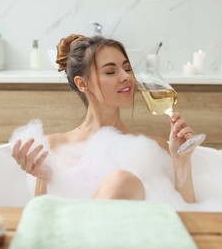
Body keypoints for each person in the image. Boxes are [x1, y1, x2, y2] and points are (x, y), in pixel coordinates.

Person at [11, 34, 196, 203]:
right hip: (74, 233)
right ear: (82, 83)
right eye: (110, 72)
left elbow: (187, 212)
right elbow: (42, 217)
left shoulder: (154, 148)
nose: (126, 77)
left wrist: (181, 162)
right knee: (123, 182)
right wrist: (42, 179)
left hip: (132, 235)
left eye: (127, 68)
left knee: (123, 182)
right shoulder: (52, 147)